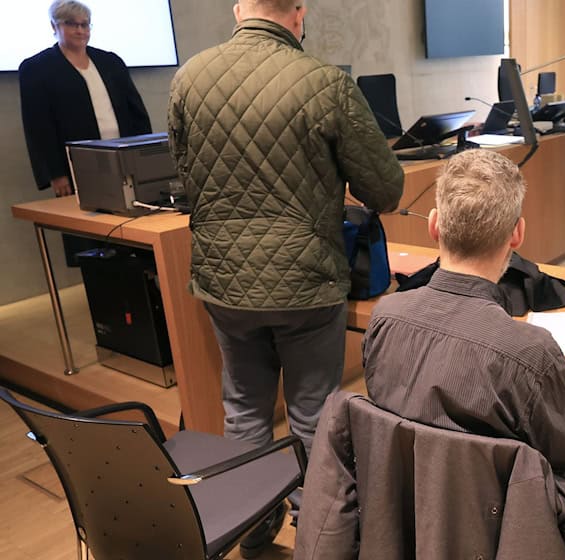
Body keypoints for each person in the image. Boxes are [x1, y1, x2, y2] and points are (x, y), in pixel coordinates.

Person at [168, 0, 404, 554]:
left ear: (237, 9)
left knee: (244, 409)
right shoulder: (324, 83)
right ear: (298, 13)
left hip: (224, 280)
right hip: (304, 281)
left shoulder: (189, 78)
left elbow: (184, 173)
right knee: (312, 413)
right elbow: (387, 189)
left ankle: (253, 531)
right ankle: (318, 535)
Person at [359, 148, 565, 504]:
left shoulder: (385, 316)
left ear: (434, 225)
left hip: (408, 504)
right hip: (502, 514)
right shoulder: (532, 351)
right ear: (517, 234)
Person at [19, 0, 151, 263]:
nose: (80, 31)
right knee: (93, 238)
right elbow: (38, 127)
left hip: (124, 161)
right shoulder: (36, 68)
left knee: (136, 231)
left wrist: (146, 156)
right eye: (71, 24)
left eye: (84, 24)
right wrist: (55, 173)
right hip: (78, 168)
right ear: (54, 26)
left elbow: (136, 112)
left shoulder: (110, 61)